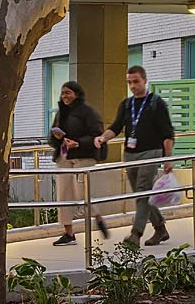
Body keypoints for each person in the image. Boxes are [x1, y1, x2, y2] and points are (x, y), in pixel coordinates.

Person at [97, 64, 178, 247]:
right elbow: (116, 127)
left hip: (151, 153)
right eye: (129, 82)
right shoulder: (126, 104)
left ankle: (136, 234)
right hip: (130, 154)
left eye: (136, 82)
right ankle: (160, 228)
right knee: (143, 195)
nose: (133, 86)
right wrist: (103, 138)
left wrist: (167, 159)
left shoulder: (156, 103)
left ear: (144, 81)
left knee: (142, 193)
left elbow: (167, 134)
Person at [46, 81, 109, 246]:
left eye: (68, 93)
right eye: (63, 93)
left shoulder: (89, 113)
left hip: (83, 156)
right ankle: (68, 233)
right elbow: (51, 137)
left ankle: (97, 217)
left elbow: (97, 136)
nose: (65, 96)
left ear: (77, 94)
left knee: (83, 193)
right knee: (64, 195)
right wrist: (58, 138)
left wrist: (78, 143)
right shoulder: (61, 113)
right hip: (64, 157)